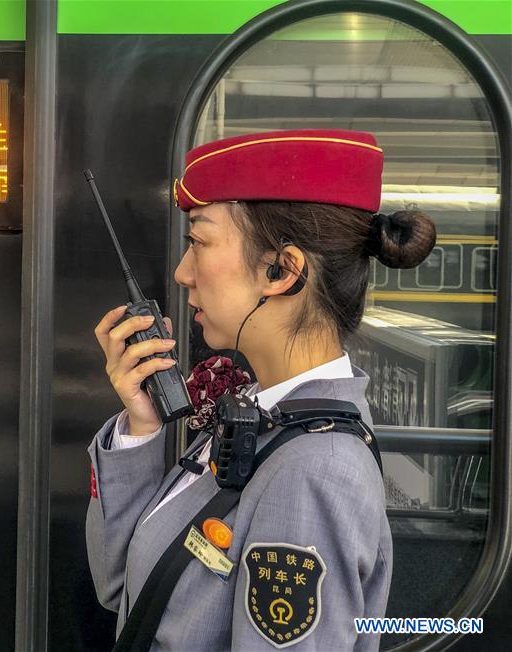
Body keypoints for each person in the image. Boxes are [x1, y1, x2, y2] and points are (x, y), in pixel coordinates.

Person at [86, 129, 437, 650]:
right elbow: (122, 586)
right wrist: (142, 425)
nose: (182, 273)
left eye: (199, 242)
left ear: (281, 271)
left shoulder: (314, 471)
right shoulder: (262, 414)